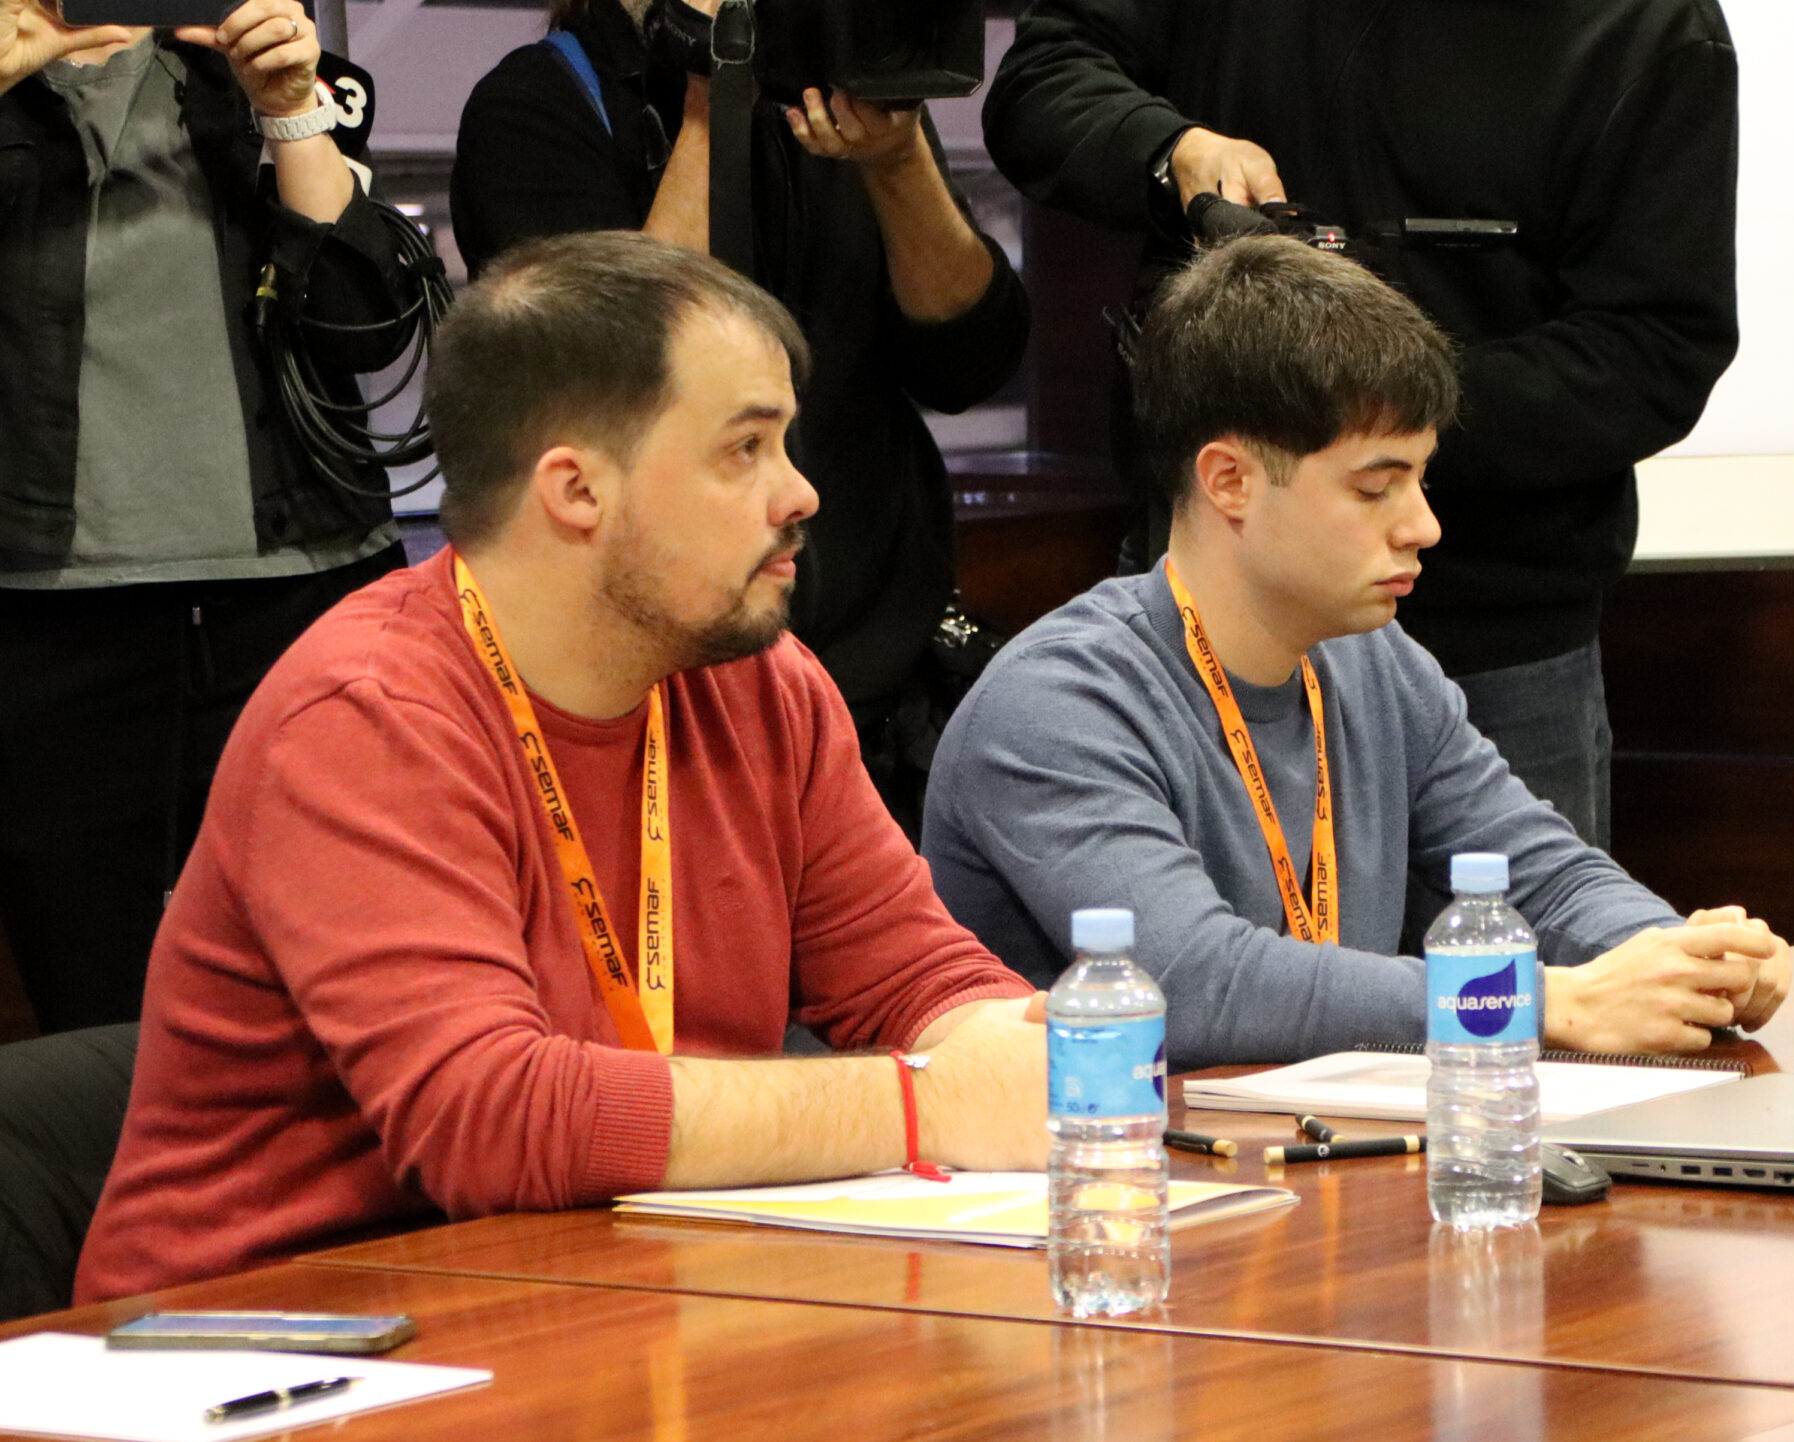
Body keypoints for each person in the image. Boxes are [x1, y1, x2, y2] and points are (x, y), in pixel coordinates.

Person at [75, 233, 1049, 1303]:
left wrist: (1021, 1054)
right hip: (276, 1337)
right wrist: (926, 1103)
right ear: (577, 489)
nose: (800, 493)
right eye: (745, 449)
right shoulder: (369, 714)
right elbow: (487, 1121)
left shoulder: (761, 683)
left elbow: (915, 980)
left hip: (592, 1290)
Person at [920, 237, 1786, 1072]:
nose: (1424, 526)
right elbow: (1192, 981)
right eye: (1376, 487)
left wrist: (1687, 960)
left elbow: (1547, 879)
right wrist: (1537, 999)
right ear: (1230, 481)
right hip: (1110, 1157)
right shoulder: (1056, 707)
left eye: (1420, 479)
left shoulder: (1374, 662)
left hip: (1315, 1150)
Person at [983, 0, 1742, 848]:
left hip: (1496, 636)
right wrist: (1172, 151)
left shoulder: (1651, 27)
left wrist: (1372, 425)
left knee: (1517, 924)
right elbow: (1040, 83)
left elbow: (1658, 347)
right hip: (1222, 603)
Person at [449, 0, 1027, 830]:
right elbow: (623, 382)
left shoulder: (832, 85)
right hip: (666, 708)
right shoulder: (536, 104)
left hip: (875, 683)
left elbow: (970, 361)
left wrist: (898, 159)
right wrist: (710, 94)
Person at [0, 0, 415, 1033]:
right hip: (47, 612)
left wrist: (291, 108)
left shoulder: (254, 61)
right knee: (94, 1008)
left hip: (304, 589)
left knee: (343, 989)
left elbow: (366, 329)